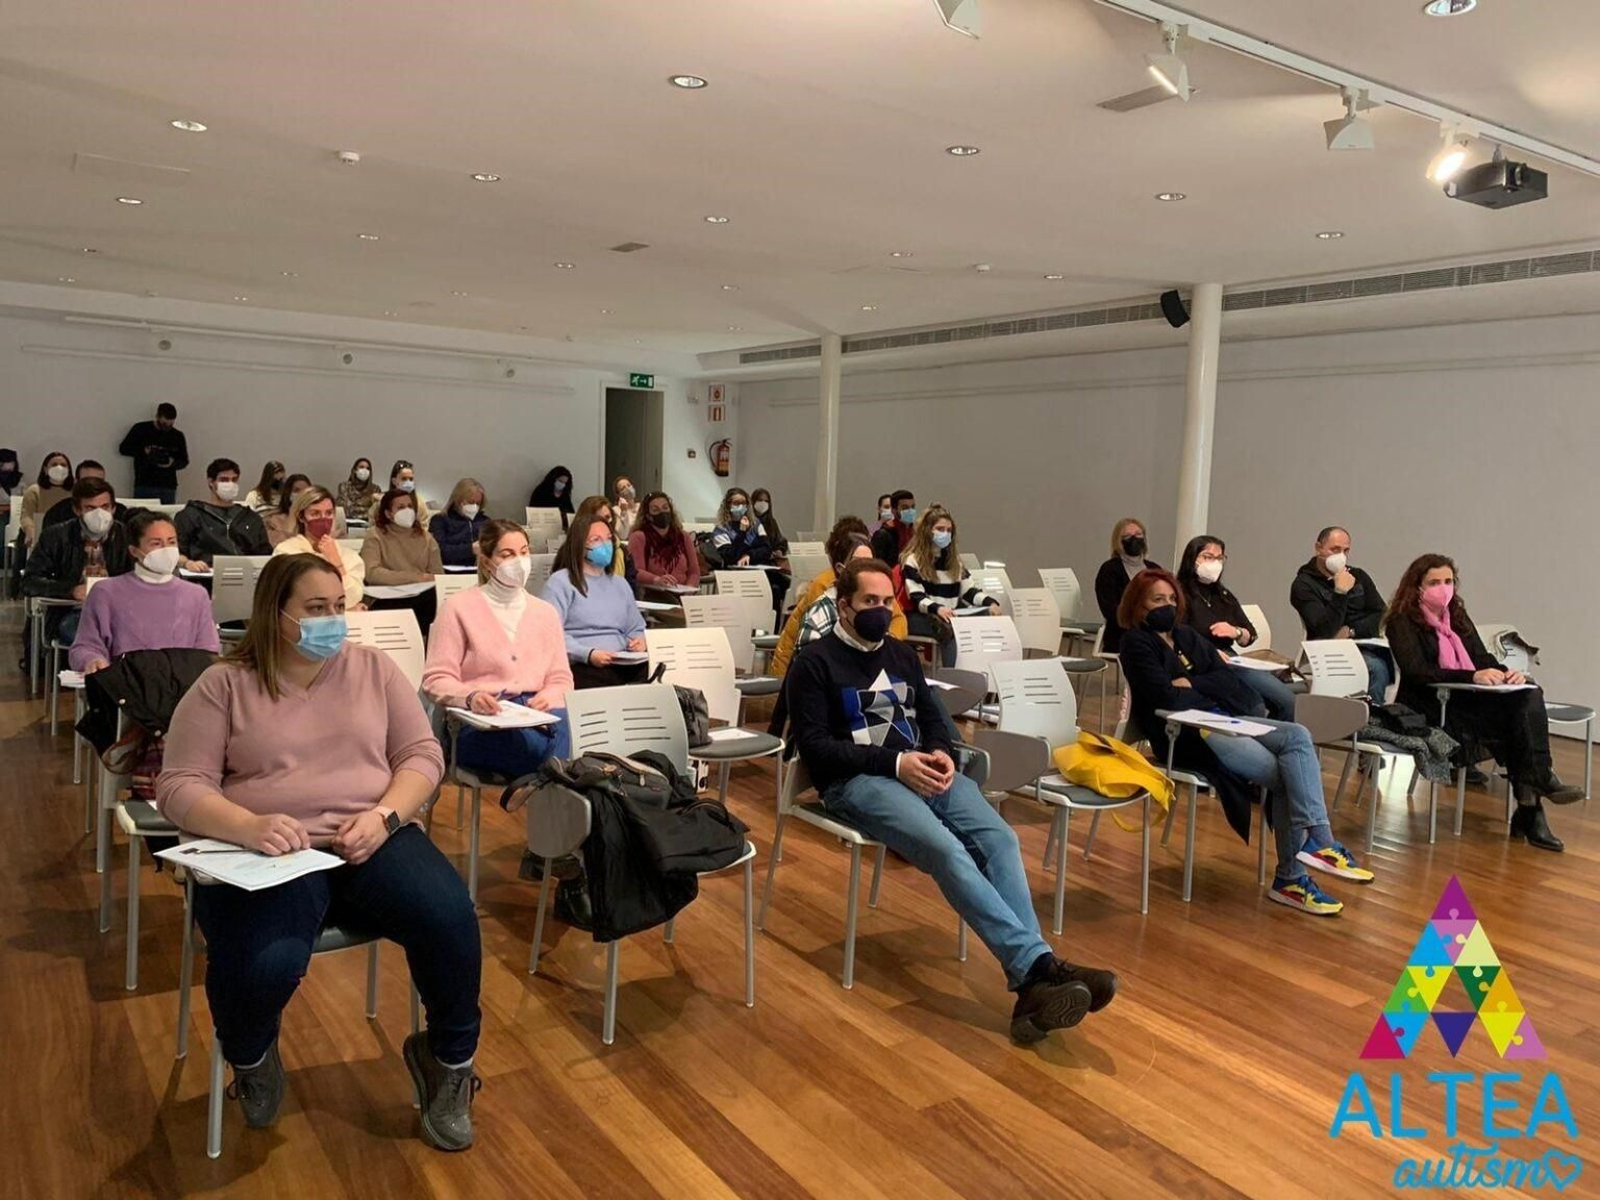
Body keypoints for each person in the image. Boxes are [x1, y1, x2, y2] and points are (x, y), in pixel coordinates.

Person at [155, 554, 480, 1151]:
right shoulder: (224, 684)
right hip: (269, 849)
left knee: (450, 917)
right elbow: (179, 785)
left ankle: (449, 1062)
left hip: (371, 834)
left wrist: (385, 817)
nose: (333, 621)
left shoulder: (373, 669)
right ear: (276, 615)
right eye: (315, 609)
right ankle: (251, 1058)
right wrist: (247, 825)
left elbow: (422, 757)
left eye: (339, 607)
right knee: (265, 964)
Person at [787, 558, 1117, 1040]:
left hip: (924, 769)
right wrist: (896, 764)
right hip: (856, 781)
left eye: (886, 601)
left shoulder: (901, 655)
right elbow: (815, 747)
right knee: (946, 849)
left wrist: (940, 751)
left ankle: (1033, 983)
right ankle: (1039, 966)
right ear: (844, 606)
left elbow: (935, 717)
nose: (881, 610)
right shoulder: (813, 663)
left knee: (1001, 839)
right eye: (868, 602)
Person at [1118, 568, 1373, 916]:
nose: (1167, 604)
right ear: (1138, 604)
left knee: (1298, 736)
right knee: (1288, 775)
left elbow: (1228, 680)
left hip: (1221, 719)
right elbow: (1164, 698)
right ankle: (1291, 878)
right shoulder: (1135, 643)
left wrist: (1190, 683)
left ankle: (1319, 839)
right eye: (1157, 599)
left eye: (1171, 598)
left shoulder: (1185, 635)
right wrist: (1198, 685)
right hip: (1185, 733)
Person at [1384, 554, 1582, 853]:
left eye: (1448, 582)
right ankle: (1534, 802)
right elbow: (1417, 671)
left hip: (1464, 701)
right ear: (1417, 587)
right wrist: (1473, 676)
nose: (1444, 588)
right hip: (1429, 708)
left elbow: (1482, 658)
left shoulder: (1457, 617)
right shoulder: (1401, 622)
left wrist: (1506, 673)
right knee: (1515, 723)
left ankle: (1532, 802)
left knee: (1528, 693)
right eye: (1434, 582)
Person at [423, 520, 573, 777]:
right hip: (481, 721)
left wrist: (550, 695)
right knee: (540, 750)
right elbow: (436, 680)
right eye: (508, 554)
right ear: (487, 560)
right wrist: (470, 697)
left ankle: (543, 787)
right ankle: (550, 784)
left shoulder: (545, 613)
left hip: (539, 714)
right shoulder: (457, 608)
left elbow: (561, 677)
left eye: (524, 552)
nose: (519, 561)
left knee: (571, 730)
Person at [69, 510, 220, 672]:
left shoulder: (196, 595)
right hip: (126, 687)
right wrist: (93, 660)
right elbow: (85, 646)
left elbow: (208, 649)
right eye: (156, 543)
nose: (166, 549)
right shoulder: (106, 593)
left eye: (171, 542)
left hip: (182, 687)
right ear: (134, 550)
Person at [1176, 534, 1295, 721]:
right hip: (1200, 661)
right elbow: (1178, 634)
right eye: (1208, 557)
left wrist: (1236, 631)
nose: (1215, 563)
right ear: (1193, 559)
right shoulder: (1179, 593)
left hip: (1231, 659)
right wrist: (1210, 651)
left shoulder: (1223, 595)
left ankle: (1276, 741)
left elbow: (1250, 634)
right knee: (1255, 706)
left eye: (1219, 558)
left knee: (1287, 700)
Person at [772, 518, 904, 677]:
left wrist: (885, 645)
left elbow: (899, 620)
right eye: (858, 562)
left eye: (870, 562)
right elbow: (807, 666)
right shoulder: (822, 599)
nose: (867, 569)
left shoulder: (878, 591)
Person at [541, 510, 647, 689]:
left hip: (623, 660)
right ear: (579, 545)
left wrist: (640, 640)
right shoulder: (561, 582)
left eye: (608, 539)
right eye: (596, 540)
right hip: (582, 664)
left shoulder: (620, 584)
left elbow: (636, 626)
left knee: (659, 673)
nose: (605, 545)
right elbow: (550, 633)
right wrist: (588, 654)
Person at [1290, 526, 1392, 707]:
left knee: (1403, 661)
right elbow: (1324, 629)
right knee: (1376, 668)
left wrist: (1352, 630)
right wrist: (1340, 592)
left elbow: (1381, 614)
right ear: (1318, 548)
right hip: (1327, 650)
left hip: (1363, 642)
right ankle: (1370, 720)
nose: (1341, 556)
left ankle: (1389, 718)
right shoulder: (1303, 585)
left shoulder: (1358, 576)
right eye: (1335, 549)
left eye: (1346, 551)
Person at [22, 478, 131, 646]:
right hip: (73, 612)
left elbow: (139, 577)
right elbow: (29, 582)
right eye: (90, 508)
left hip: (119, 612)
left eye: (105, 507)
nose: (99, 514)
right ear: (77, 510)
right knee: (93, 638)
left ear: (114, 508)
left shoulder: (126, 536)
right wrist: (71, 590)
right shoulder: (56, 536)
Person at [900, 505, 999, 667]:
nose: (945, 534)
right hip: (921, 615)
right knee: (948, 630)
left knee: (988, 617)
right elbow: (917, 597)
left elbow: (969, 591)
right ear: (927, 531)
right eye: (940, 529)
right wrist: (938, 609)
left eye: (948, 530)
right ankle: (953, 679)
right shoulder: (913, 560)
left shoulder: (954, 562)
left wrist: (990, 603)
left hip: (950, 613)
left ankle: (984, 674)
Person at [271, 486, 365, 609]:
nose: (323, 519)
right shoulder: (286, 552)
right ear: (301, 517)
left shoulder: (349, 556)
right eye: (315, 514)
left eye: (329, 513)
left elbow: (352, 597)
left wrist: (336, 562)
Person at [174, 457, 271, 568]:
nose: (230, 484)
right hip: (205, 574)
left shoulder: (250, 517)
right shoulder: (191, 515)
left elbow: (264, 554)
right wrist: (188, 563)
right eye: (224, 480)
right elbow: (177, 552)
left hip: (247, 574)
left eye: (234, 480)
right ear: (211, 482)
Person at [1095, 517, 1161, 655]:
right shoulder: (1109, 570)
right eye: (1127, 536)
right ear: (1118, 541)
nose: (1134, 539)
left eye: (1138, 535)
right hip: (1123, 633)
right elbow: (1110, 610)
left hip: (1155, 631)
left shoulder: (1154, 569)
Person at [361, 488, 443, 584]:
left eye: (410, 506)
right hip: (387, 594)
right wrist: (414, 577)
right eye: (401, 507)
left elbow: (438, 575)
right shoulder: (375, 535)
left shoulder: (426, 537)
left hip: (421, 594)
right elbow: (371, 573)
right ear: (388, 514)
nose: (407, 511)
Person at [627, 491, 700, 591]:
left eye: (665, 508)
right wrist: (656, 579)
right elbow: (636, 571)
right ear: (648, 515)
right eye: (655, 510)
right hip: (654, 593)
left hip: (683, 594)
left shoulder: (683, 536)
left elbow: (694, 572)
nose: (662, 512)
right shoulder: (639, 537)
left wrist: (689, 590)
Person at [118, 402, 189, 504]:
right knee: (142, 517)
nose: (167, 427)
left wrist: (171, 463)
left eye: (171, 425)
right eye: (164, 424)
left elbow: (184, 460)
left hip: (167, 485)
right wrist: (144, 451)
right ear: (157, 417)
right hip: (144, 483)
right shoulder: (141, 429)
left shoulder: (177, 436)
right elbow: (123, 448)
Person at [42, 461, 131, 530]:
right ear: (76, 482)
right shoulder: (57, 514)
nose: (93, 485)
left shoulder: (121, 513)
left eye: (99, 481)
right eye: (87, 481)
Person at [429, 478, 488, 569]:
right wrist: (470, 549)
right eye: (471, 502)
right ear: (458, 499)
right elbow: (438, 551)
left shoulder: (485, 521)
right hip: (449, 571)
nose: (474, 506)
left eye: (478, 503)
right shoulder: (440, 520)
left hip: (480, 571)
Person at [19, 451, 73, 547]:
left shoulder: (75, 491)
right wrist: (30, 532)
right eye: (54, 464)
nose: (59, 467)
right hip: (40, 533)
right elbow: (27, 516)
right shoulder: (34, 490)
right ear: (45, 469)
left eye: (63, 465)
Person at [710, 487, 770, 568]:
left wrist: (749, 555)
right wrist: (742, 532)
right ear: (728, 505)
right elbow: (730, 556)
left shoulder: (755, 523)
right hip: (734, 569)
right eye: (736, 503)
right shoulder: (721, 529)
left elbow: (766, 549)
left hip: (757, 566)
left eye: (744, 503)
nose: (741, 506)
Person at [371, 460, 431, 526]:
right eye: (404, 479)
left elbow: (424, 528)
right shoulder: (382, 503)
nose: (408, 482)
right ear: (394, 481)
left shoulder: (420, 504)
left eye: (411, 479)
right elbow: (373, 526)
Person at [264, 474, 314, 547]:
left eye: (306, 491)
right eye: (297, 490)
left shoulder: (315, 519)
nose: (301, 494)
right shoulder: (271, 519)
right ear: (288, 493)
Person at [869, 489, 917, 564]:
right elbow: (876, 565)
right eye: (905, 508)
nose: (910, 511)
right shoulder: (883, 535)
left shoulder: (916, 532)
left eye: (912, 507)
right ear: (893, 510)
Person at [528, 465, 574, 530]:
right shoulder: (540, 491)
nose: (562, 485)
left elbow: (570, 513)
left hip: (561, 529)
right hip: (541, 527)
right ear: (553, 479)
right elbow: (533, 510)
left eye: (564, 483)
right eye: (560, 481)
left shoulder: (565, 495)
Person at [337, 457, 381, 523]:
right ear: (355, 470)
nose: (365, 470)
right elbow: (343, 509)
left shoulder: (375, 489)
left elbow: (375, 513)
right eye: (361, 467)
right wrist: (365, 509)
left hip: (367, 525)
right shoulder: (345, 486)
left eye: (368, 468)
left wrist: (354, 507)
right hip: (348, 523)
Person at [750, 488, 788, 557]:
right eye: (760, 500)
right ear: (753, 502)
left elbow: (780, 541)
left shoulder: (771, 522)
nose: (763, 503)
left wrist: (780, 550)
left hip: (771, 562)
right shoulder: (748, 521)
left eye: (766, 501)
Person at [0, 449, 21, 518]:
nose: (8, 465)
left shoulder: (20, 478)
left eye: (11, 462)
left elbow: (26, 499)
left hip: (17, 515)